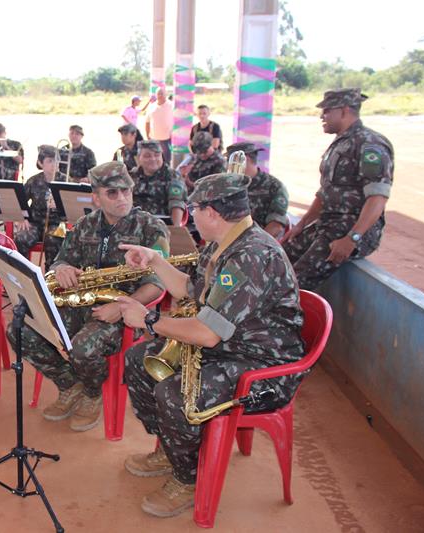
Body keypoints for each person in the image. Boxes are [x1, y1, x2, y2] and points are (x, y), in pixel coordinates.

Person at [116, 171, 304, 518]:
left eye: (195, 209)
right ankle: (173, 449)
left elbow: (206, 333)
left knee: (174, 392)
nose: (191, 216)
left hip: (264, 368)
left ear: (212, 213)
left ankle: (187, 479)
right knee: (138, 360)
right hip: (231, 348)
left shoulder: (251, 256)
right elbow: (191, 289)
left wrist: (150, 320)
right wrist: (155, 260)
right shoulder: (224, 243)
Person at [7, 162, 169, 432]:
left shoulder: (150, 227)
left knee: (83, 347)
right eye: (112, 193)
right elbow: (60, 260)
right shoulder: (85, 224)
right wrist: (62, 269)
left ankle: (93, 393)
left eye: (126, 191)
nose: (122, 198)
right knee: (21, 328)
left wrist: (121, 306)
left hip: (122, 311)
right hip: (77, 302)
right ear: (96, 197)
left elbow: (157, 284)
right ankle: (70, 384)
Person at [282, 88, 393, 290]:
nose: (321, 116)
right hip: (327, 224)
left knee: (294, 283)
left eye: (326, 111)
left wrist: (352, 238)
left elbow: (377, 197)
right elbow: (325, 192)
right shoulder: (340, 143)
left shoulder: (370, 144)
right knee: (278, 259)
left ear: (344, 111)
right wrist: (302, 224)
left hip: (349, 229)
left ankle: (288, 318)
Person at [13, 145, 65, 268]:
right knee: (21, 238)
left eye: (56, 160)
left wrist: (59, 204)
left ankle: (50, 276)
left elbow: (73, 206)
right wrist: (22, 218)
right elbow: (20, 202)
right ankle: (23, 272)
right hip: (35, 223)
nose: (54, 164)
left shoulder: (65, 180)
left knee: (53, 240)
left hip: (56, 224)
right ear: (41, 163)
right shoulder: (33, 181)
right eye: (50, 161)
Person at [225, 142, 289, 239]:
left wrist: (254, 243)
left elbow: (276, 226)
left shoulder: (274, 187)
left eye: (230, 162)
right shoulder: (230, 185)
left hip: (255, 245)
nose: (227, 166)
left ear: (244, 160)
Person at [131, 140, 187, 225]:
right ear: (139, 158)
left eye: (157, 155)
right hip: (134, 224)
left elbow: (176, 204)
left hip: (162, 225)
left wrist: (175, 229)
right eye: (147, 156)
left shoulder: (172, 176)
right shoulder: (132, 176)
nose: (153, 159)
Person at [145, 87, 174, 164]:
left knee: (167, 160)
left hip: (167, 139)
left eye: (162, 93)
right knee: (154, 160)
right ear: (156, 95)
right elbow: (147, 122)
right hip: (154, 138)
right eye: (158, 94)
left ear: (166, 94)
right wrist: (147, 135)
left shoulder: (171, 105)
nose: (160, 95)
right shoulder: (151, 106)